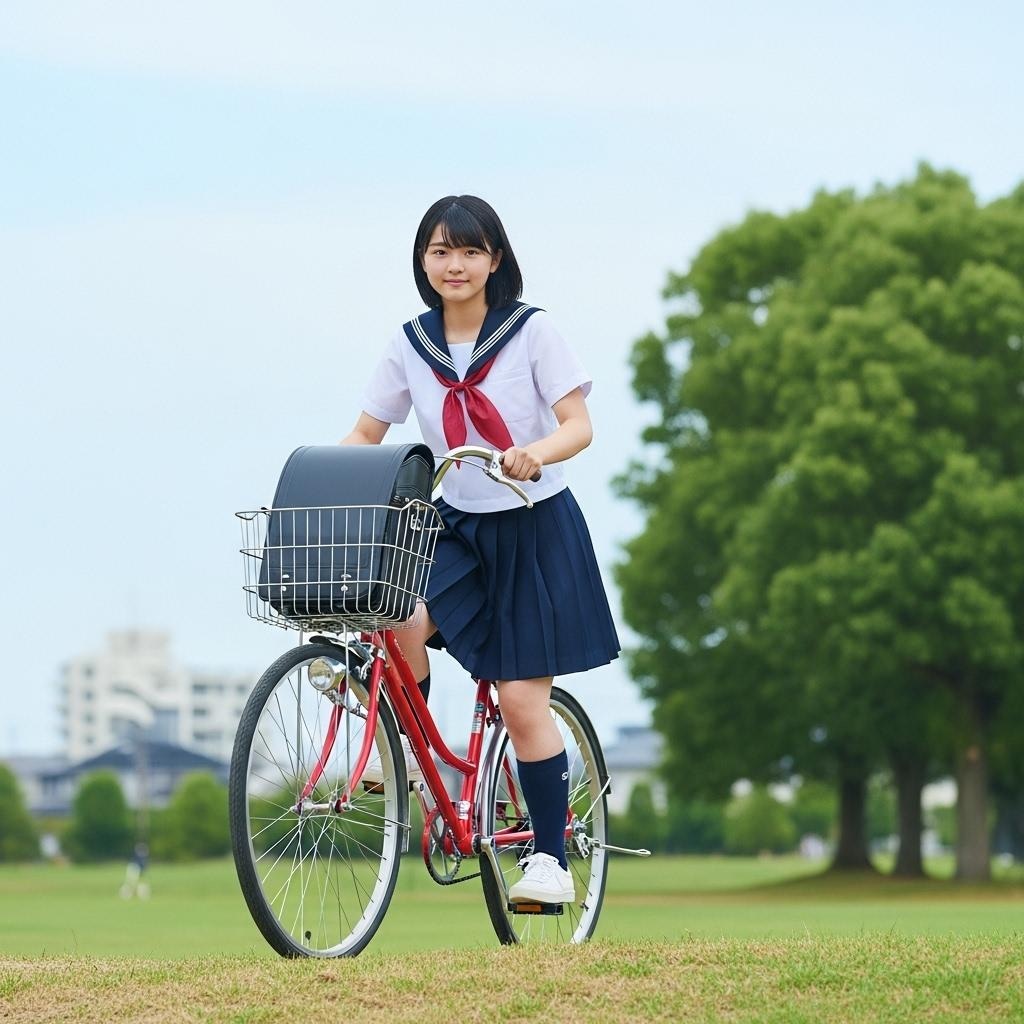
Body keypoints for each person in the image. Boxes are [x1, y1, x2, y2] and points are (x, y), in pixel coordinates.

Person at [340, 195, 620, 905]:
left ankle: (550, 863)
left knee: (521, 700)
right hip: (455, 521)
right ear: (422, 261)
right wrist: (324, 478)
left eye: (468, 250)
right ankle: (404, 750)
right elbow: (366, 433)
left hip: (534, 522)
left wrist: (534, 453)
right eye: (439, 251)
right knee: (396, 615)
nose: (454, 264)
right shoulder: (411, 342)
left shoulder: (532, 332)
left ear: (495, 258)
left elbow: (578, 424)